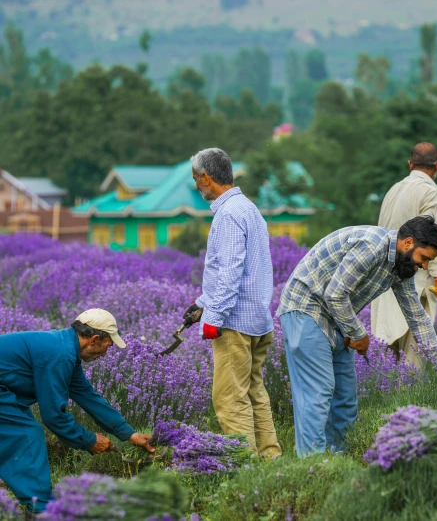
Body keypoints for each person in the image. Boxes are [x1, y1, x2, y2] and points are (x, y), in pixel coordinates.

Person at [277, 216, 437, 457]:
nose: (424, 266)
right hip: (307, 309)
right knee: (317, 393)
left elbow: (416, 315)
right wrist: (358, 334)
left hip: (339, 317)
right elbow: (336, 295)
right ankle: (312, 466)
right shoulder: (372, 246)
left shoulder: (402, 267)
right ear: (408, 243)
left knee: (345, 398)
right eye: (424, 258)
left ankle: (341, 459)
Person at [0, 309, 156, 515]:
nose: (105, 354)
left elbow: (88, 397)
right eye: (106, 346)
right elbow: (53, 415)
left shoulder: (66, 350)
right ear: (93, 339)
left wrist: (128, 434)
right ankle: (41, 510)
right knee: (28, 435)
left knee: (18, 429)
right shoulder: (60, 355)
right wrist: (88, 440)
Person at [189, 147, 282, 458]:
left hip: (234, 324)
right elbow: (241, 269)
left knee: (230, 400)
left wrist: (213, 317)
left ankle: (247, 468)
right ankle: (270, 459)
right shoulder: (247, 208)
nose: (195, 185)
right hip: (258, 319)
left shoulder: (227, 214)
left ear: (206, 177)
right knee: (254, 392)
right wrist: (202, 302)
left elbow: (230, 269)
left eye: (195, 179)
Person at [371, 142, 437, 369]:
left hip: (385, 275)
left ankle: (387, 401)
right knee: (413, 355)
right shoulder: (430, 191)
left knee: (389, 352)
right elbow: (429, 241)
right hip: (414, 279)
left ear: (410, 164)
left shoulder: (394, 189)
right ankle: (409, 400)